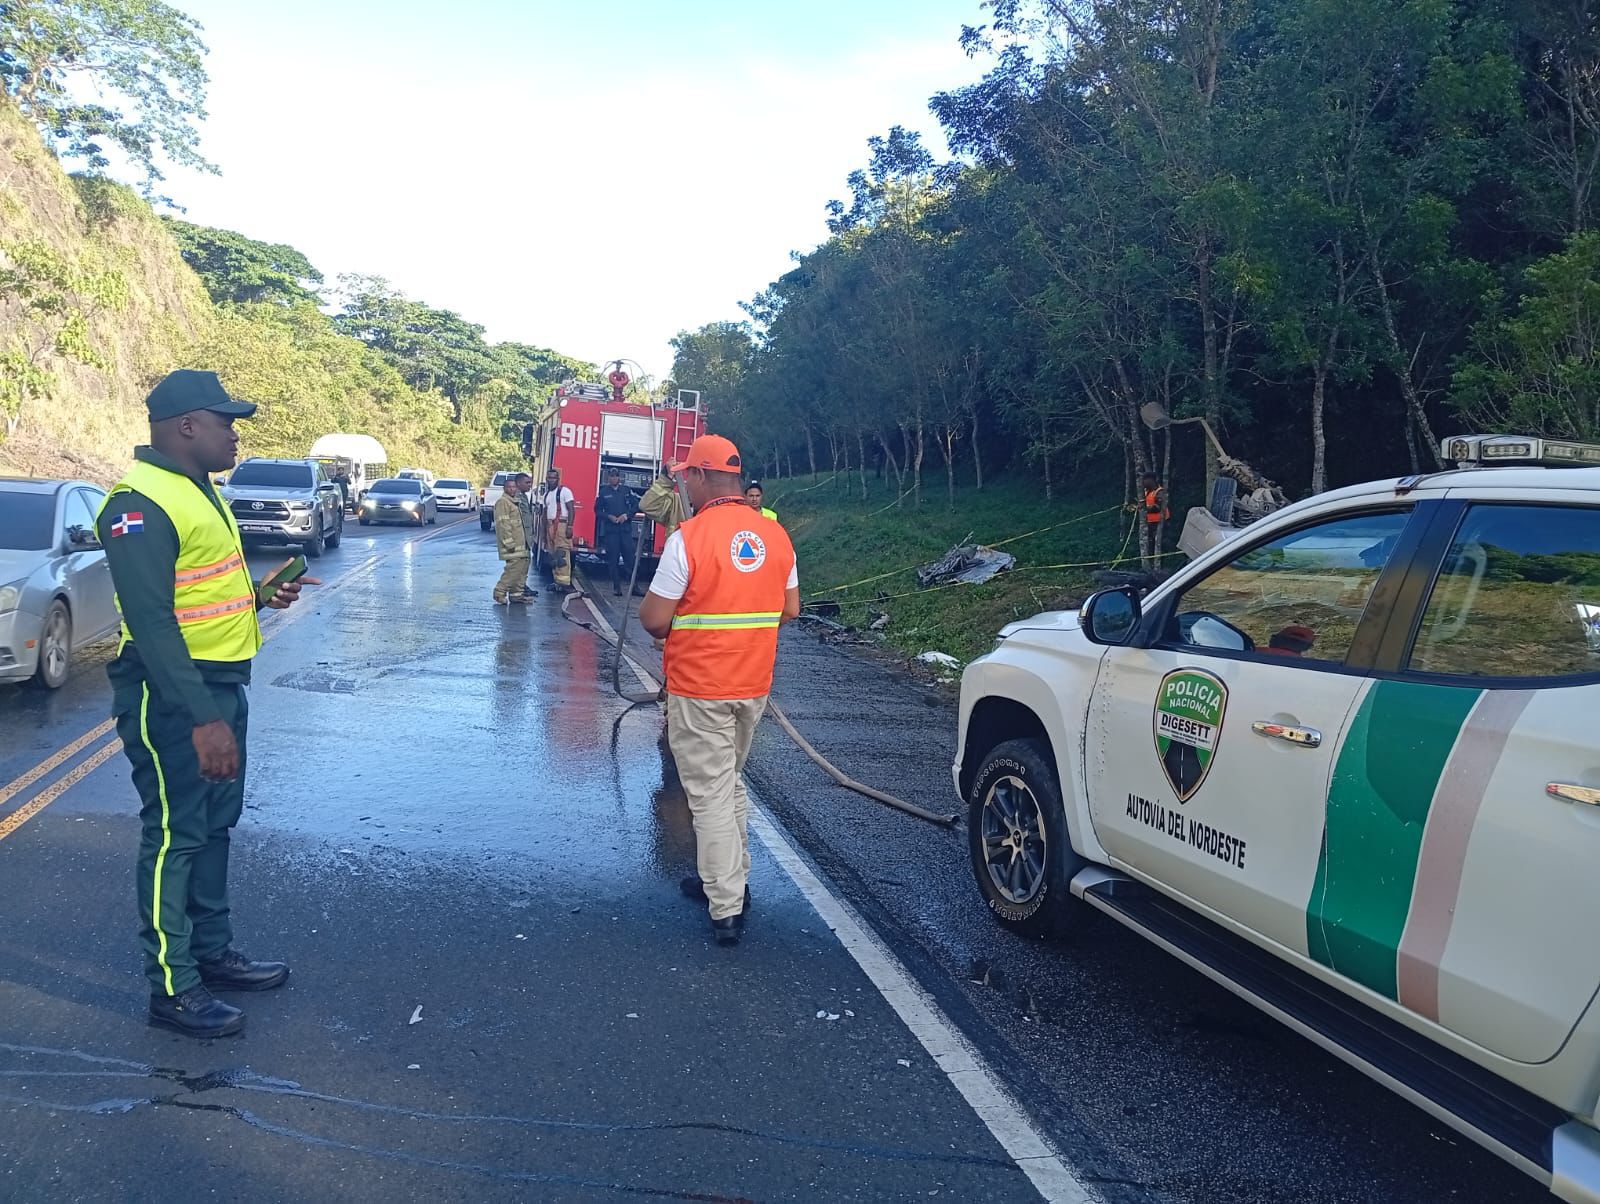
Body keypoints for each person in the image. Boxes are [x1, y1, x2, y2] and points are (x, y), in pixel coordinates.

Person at [97, 368, 316, 1039]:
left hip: (218, 684)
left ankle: (211, 954)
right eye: (226, 422)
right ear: (187, 425)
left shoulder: (199, 490)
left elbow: (199, 597)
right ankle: (173, 988)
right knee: (175, 833)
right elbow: (153, 623)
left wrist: (260, 596)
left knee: (215, 826)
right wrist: (203, 718)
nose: (235, 435)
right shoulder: (138, 505)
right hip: (173, 695)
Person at [638, 435, 800, 947]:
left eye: (687, 475)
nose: (685, 485)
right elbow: (790, 609)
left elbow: (654, 620)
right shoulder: (776, 535)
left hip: (700, 688)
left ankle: (725, 907)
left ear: (702, 476)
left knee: (708, 795)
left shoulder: (690, 538)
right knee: (729, 784)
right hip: (752, 686)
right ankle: (732, 880)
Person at [595, 468, 639, 595]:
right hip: (611, 532)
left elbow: (636, 505)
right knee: (613, 560)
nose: (614, 478)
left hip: (625, 531)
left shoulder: (626, 491)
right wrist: (608, 516)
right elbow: (597, 511)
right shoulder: (603, 492)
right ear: (608, 478)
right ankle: (616, 588)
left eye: (616, 476)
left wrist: (627, 515)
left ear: (619, 478)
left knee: (630, 559)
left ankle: (634, 587)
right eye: (612, 476)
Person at [493, 475, 531, 605]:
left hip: (521, 543)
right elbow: (503, 524)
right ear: (504, 488)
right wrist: (508, 542)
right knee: (513, 570)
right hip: (512, 544)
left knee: (522, 569)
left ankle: (516, 594)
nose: (512, 489)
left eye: (514, 487)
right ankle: (499, 593)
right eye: (509, 487)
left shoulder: (515, 501)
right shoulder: (503, 502)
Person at [542, 468, 575, 592]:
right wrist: (544, 533)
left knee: (562, 554)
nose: (551, 480)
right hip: (550, 526)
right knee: (553, 555)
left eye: (554, 478)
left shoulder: (564, 491)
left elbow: (571, 509)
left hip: (561, 525)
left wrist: (570, 527)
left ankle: (565, 583)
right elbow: (544, 514)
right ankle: (557, 582)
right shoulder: (546, 495)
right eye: (549, 478)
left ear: (558, 479)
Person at [512, 472, 538, 600]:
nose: (529, 485)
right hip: (519, 536)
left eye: (530, 483)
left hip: (526, 536)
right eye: (527, 483)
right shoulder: (515, 497)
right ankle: (516, 590)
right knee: (518, 564)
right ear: (518, 483)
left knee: (525, 563)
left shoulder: (523, 496)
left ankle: (521, 587)